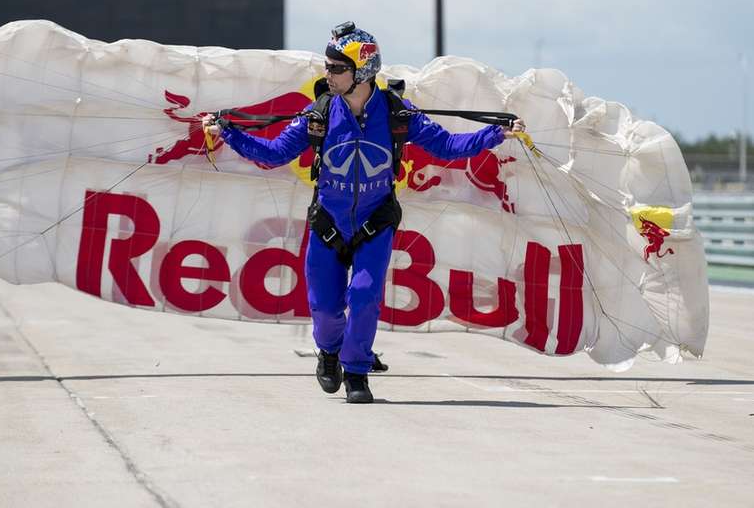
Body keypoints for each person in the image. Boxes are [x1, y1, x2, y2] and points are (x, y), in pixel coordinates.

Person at [203, 22, 525, 403]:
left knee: (365, 294)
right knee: (324, 306)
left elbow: (447, 145)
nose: (329, 74)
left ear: (363, 70)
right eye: (327, 66)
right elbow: (273, 154)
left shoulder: (396, 114)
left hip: (376, 222)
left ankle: (356, 372)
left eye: (337, 68)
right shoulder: (318, 114)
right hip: (328, 223)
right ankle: (329, 351)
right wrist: (228, 132)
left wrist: (494, 134)